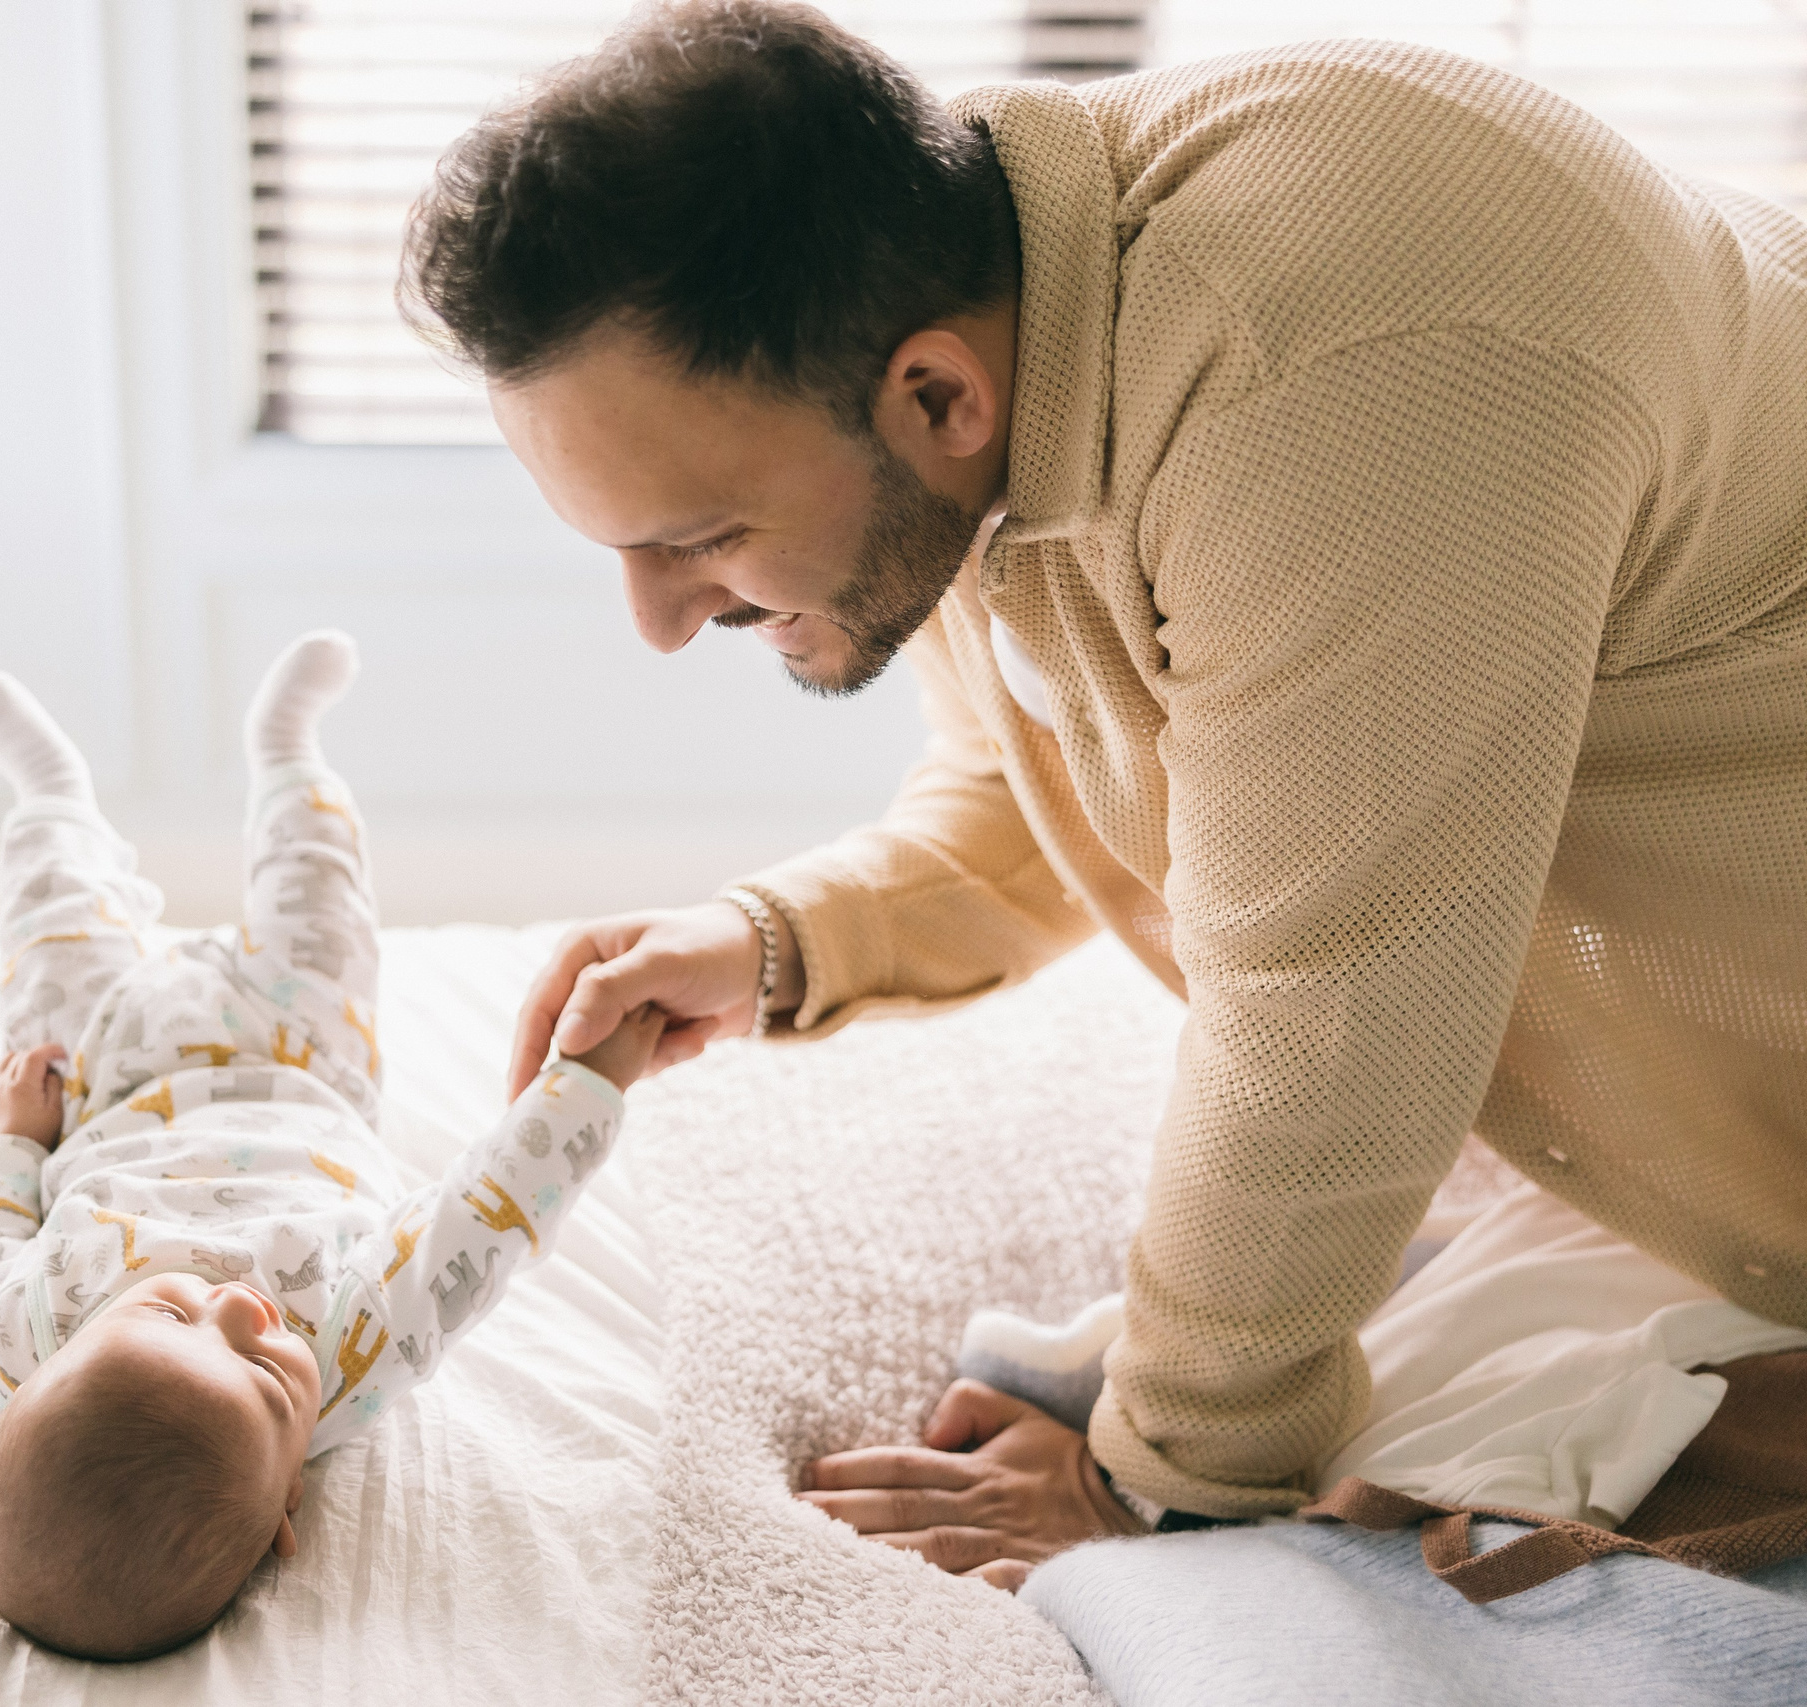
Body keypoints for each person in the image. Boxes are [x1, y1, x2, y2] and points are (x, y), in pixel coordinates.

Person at [401, 1, 1807, 1579]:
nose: (659, 624)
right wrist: (779, 939)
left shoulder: (1329, 375)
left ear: (937, 398)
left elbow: (1333, 1004)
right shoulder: (981, 290)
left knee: (1486, 1520)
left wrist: (1155, 1482)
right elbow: (1069, 763)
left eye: (700, 536)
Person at [0, 632, 663, 1658]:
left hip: (102, 1083)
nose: (238, 1306)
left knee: (50, 929)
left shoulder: (18, 1344)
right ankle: (287, 754)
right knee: (320, 896)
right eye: (266, 1375)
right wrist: (586, 1086)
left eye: (170, 1312)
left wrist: (13, 1143)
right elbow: (482, 1222)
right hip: (300, 1059)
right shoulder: (350, 1350)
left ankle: (47, 790)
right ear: (285, 1511)